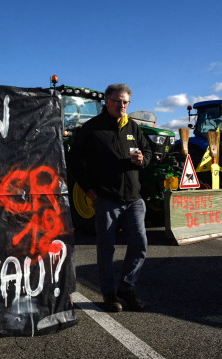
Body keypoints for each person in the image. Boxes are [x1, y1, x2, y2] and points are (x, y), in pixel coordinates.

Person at [70, 83, 152, 312]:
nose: (122, 105)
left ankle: (127, 287)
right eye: (117, 101)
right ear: (106, 101)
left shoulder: (133, 127)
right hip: (106, 198)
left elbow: (148, 152)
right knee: (106, 249)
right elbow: (75, 159)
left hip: (133, 199)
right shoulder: (92, 129)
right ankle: (108, 294)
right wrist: (87, 187)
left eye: (125, 102)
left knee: (139, 244)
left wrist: (142, 160)